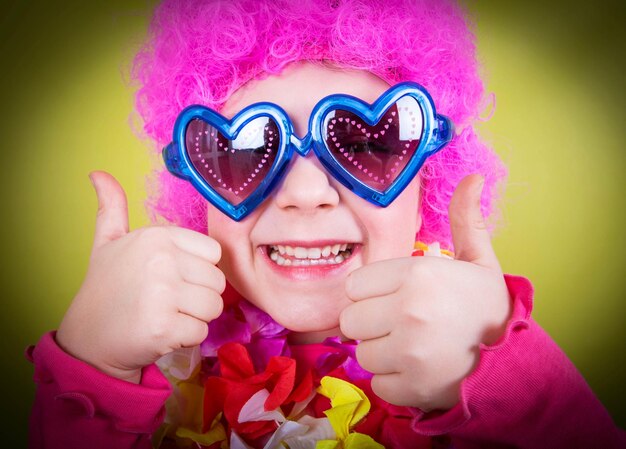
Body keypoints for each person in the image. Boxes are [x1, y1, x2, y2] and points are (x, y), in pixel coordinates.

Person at [26, 1, 625, 448]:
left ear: (430, 177)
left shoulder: (487, 350)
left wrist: (507, 380)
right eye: (245, 152)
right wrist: (95, 369)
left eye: (365, 143)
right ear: (197, 184)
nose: (307, 194)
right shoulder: (151, 351)